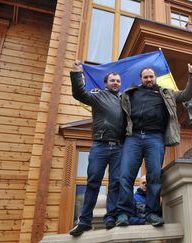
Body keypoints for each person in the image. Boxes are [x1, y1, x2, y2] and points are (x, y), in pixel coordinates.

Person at [116, 64, 192, 227]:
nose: (148, 79)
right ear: (141, 79)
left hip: (155, 138)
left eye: (151, 77)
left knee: (154, 176)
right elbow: (114, 104)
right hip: (133, 137)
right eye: (145, 77)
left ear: (155, 78)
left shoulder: (166, 93)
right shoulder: (130, 93)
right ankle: (123, 213)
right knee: (125, 175)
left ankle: (152, 214)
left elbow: (187, 95)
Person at [69, 61, 125, 236]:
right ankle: (84, 221)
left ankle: (111, 218)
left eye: (118, 81)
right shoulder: (98, 96)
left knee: (115, 183)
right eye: (112, 80)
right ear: (106, 83)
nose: (115, 83)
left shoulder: (125, 100)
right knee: (93, 183)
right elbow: (79, 93)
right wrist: (78, 73)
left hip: (119, 148)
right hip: (100, 146)